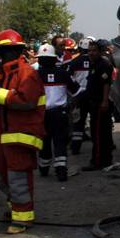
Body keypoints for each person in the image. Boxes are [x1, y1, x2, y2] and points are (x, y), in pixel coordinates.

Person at [0, 29, 46, 234]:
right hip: (3, 135)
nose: (0, 56)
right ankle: (15, 208)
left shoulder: (26, 73)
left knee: (17, 177)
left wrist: (0, 95)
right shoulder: (4, 74)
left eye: (2, 52)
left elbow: (27, 101)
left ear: (13, 51)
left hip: (21, 135)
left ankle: (23, 218)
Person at [36, 44, 79, 181]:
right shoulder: (63, 74)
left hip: (41, 115)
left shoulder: (34, 76)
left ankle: (43, 167)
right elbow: (76, 91)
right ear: (54, 59)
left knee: (44, 142)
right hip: (60, 114)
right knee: (60, 142)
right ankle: (61, 170)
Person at [82, 40, 114, 171]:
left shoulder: (104, 64)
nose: (91, 53)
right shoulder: (94, 64)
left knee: (98, 133)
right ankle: (105, 159)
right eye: (89, 50)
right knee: (102, 132)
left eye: (94, 50)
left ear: (100, 51)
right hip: (95, 102)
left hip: (100, 103)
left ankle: (97, 161)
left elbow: (106, 83)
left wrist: (104, 101)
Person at [67, 37, 92, 155]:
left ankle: (76, 147)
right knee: (95, 120)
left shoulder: (74, 62)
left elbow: (69, 78)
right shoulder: (96, 61)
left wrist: (73, 94)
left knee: (78, 122)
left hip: (79, 96)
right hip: (93, 95)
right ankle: (99, 145)